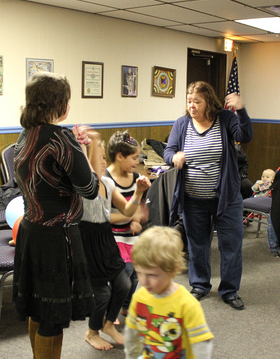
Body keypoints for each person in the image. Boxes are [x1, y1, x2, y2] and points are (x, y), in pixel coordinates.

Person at [13, 72, 101, 358]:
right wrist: (85, 149)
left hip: (30, 230)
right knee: (51, 315)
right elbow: (89, 188)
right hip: (57, 236)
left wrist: (74, 146)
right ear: (61, 105)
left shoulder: (25, 134)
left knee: (38, 308)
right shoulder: (61, 137)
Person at [163, 81, 254, 311]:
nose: (191, 106)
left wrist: (241, 110)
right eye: (189, 101)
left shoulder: (225, 119)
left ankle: (230, 290)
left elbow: (246, 135)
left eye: (197, 101)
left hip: (226, 198)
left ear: (208, 103)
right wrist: (173, 158)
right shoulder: (182, 124)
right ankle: (200, 285)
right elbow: (168, 150)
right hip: (193, 199)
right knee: (198, 245)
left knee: (231, 244)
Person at [80, 141, 151, 350]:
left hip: (105, 239)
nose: (103, 162)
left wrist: (138, 193)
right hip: (87, 243)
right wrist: (83, 145)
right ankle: (92, 332)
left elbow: (128, 211)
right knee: (102, 294)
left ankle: (109, 325)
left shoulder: (108, 184)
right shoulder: (82, 187)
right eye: (98, 158)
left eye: (104, 158)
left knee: (124, 284)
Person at [124, 226, 214, 359]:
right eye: (139, 273)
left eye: (152, 275)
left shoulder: (187, 304)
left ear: (173, 270)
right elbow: (132, 334)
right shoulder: (139, 298)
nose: (144, 281)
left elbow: (202, 344)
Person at [105, 130, 149, 316]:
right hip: (113, 237)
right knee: (125, 273)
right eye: (133, 158)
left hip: (131, 237)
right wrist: (129, 216)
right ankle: (112, 309)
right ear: (120, 156)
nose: (137, 162)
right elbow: (104, 216)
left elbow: (142, 207)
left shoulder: (135, 178)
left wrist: (138, 218)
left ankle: (125, 306)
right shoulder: (106, 181)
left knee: (136, 272)